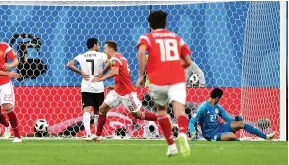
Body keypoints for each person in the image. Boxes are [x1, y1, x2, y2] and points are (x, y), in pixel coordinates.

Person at [136, 10, 192, 157]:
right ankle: (182, 133)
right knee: (179, 111)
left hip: (158, 80)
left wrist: (141, 75)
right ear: (165, 23)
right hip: (177, 78)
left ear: (150, 24)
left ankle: (171, 145)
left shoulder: (147, 37)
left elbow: (141, 52)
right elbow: (188, 61)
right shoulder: (176, 38)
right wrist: (177, 68)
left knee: (161, 111)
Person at [88, 40, 158, 141]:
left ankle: (162, 118)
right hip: (117, 91)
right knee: (102, 110)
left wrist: (101, 78)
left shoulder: (115, 59)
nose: (104, 51)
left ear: (110, 49)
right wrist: (110, 80)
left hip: (127, 93)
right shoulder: (120, 58)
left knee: (138, 115)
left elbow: (115, 72)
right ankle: (97, 135)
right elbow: (123, 73)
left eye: (105, 49)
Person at [189, 88, 276, 141]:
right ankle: (236, 141)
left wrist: (236, 119)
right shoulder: (203, 107)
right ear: (217, 98)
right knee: (231, 136)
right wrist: (193, 134)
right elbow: (192, 122)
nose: (220, 99)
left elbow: (228, 119)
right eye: (220, 98)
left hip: (220, 127)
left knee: (241, 124)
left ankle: (266, 137)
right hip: (211, 134)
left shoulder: (218, 107)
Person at [66, 38, 107, 138]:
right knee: (99, 111)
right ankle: (97, 134)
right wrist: (103, 72)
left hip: (86, 86)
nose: (99, 46)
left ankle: (88, 134)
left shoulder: (81, 56)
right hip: (98, 86)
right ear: (94, 45)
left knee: (87, 110)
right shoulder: (102, 55)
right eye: (98, 44)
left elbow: (69, 64)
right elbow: (110, 62)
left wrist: (81, 73)